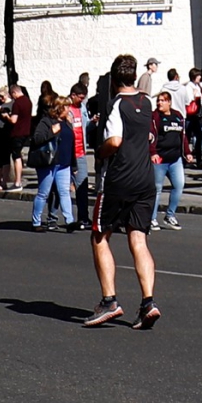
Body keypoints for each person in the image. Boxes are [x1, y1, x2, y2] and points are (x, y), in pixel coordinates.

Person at [81, 55, 162, 328]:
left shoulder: (117, 105)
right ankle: (148, 302)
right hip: (145, 180)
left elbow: (114, 140)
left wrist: (101, 152)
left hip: (119, 179)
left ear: (114, 80)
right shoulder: (147, 101)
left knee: (99, 235)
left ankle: (109, 301)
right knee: (138, 240)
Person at [31, 95, 78, 230]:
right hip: (49, 163)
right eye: (67, 107)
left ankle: (69, 221)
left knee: (64, 192)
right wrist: (52, 131)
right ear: (60, 108)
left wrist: (73, 164)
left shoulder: (67, 123)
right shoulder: (46, 122)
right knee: (43, 193)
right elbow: (37, 138)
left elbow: (71, 144)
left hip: (64, 163)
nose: (69, 109)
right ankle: (36, 222)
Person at [153, 89, 187, 229]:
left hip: (175, 158)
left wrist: (188, 152)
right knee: (156, 189)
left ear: (169, 102)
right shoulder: (155, 116)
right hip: (160, 159)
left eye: (162, 100)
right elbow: (151, 135)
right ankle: (152, 218)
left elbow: (183, 136)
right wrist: (153, 152)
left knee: (179, 185)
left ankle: (170, 215)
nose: (159, 103)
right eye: (158, 100)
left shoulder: (177, 116)